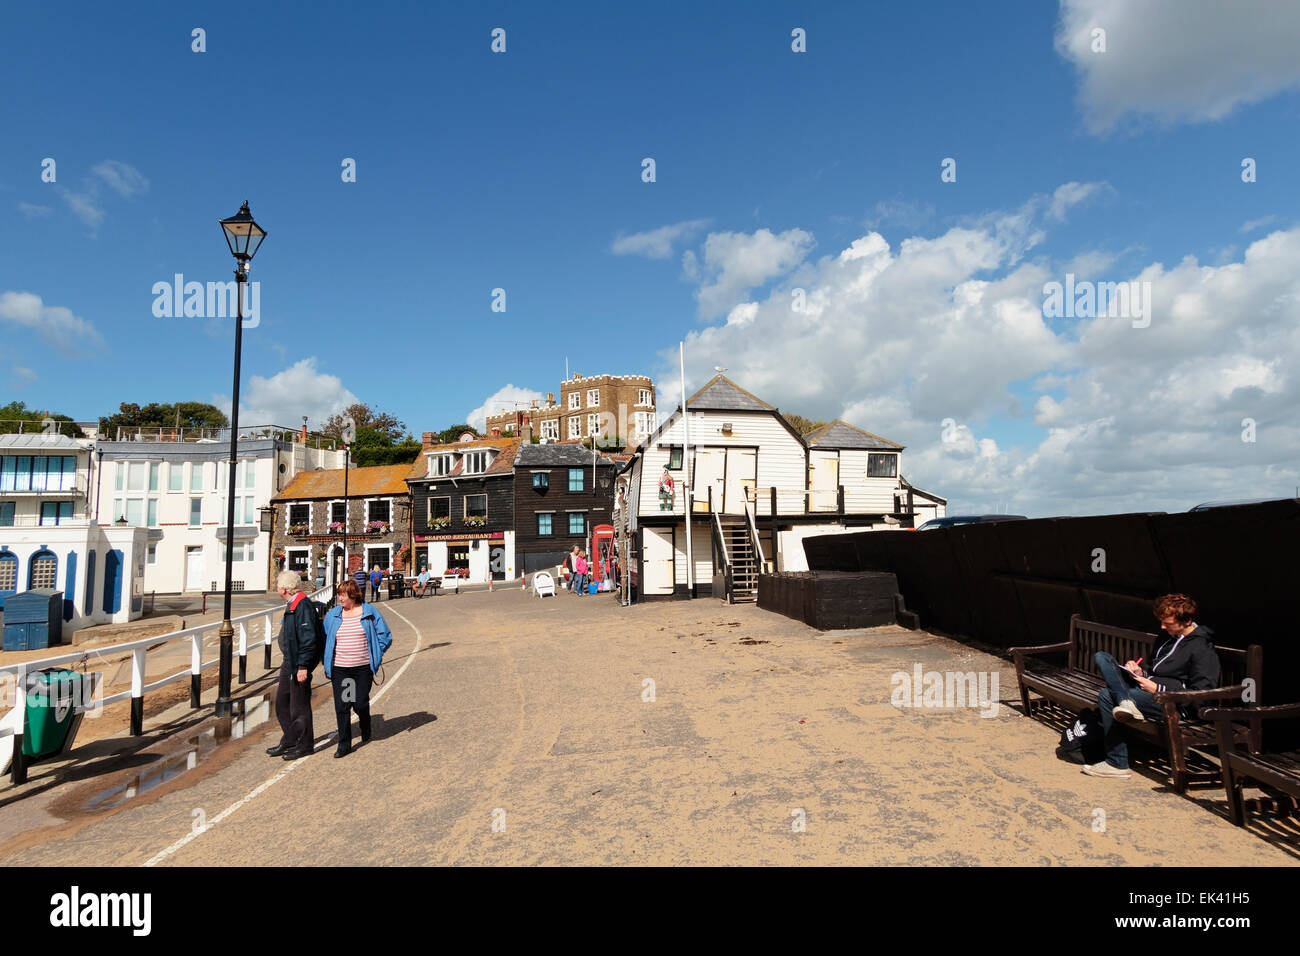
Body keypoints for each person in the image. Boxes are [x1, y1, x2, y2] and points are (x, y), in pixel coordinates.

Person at [1084, 593, 1221, 779]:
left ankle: (1117, 763)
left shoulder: (1202, 648)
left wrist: (1159, 690)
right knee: (1102, 657)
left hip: (1174, 705)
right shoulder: (1166, 636)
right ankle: (1126, 701)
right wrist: (1141, 673)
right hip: (1146, 692)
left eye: (1168, 623)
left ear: (1187, 620)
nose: (1162, 627)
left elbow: (1202, 694)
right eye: (1162, 622)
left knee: (1107, 695)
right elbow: (1156, 669)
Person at [321, 579, 392, 758]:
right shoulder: (333, 615)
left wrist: (377, 651)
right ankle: (344, 744)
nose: (340, 598)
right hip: (342, 669)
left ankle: (365, 721)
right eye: (339, 594)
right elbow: (325, 638)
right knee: (343, 706)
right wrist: (326, 659)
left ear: (353, 595)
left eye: (343, 594)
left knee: (359, 702)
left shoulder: (369, 612)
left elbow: (385, 635)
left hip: (362, 668)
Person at [267, 570, 321, 761]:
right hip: (289, 661)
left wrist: (303, 666)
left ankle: (305, 744)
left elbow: (308, 639)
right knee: (282, 702)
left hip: (298, 662)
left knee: (299, 706)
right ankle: (290, 738)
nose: (276, 587)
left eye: (278, 584)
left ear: (284, 588)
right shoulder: (293, 604)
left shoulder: (302, 605)